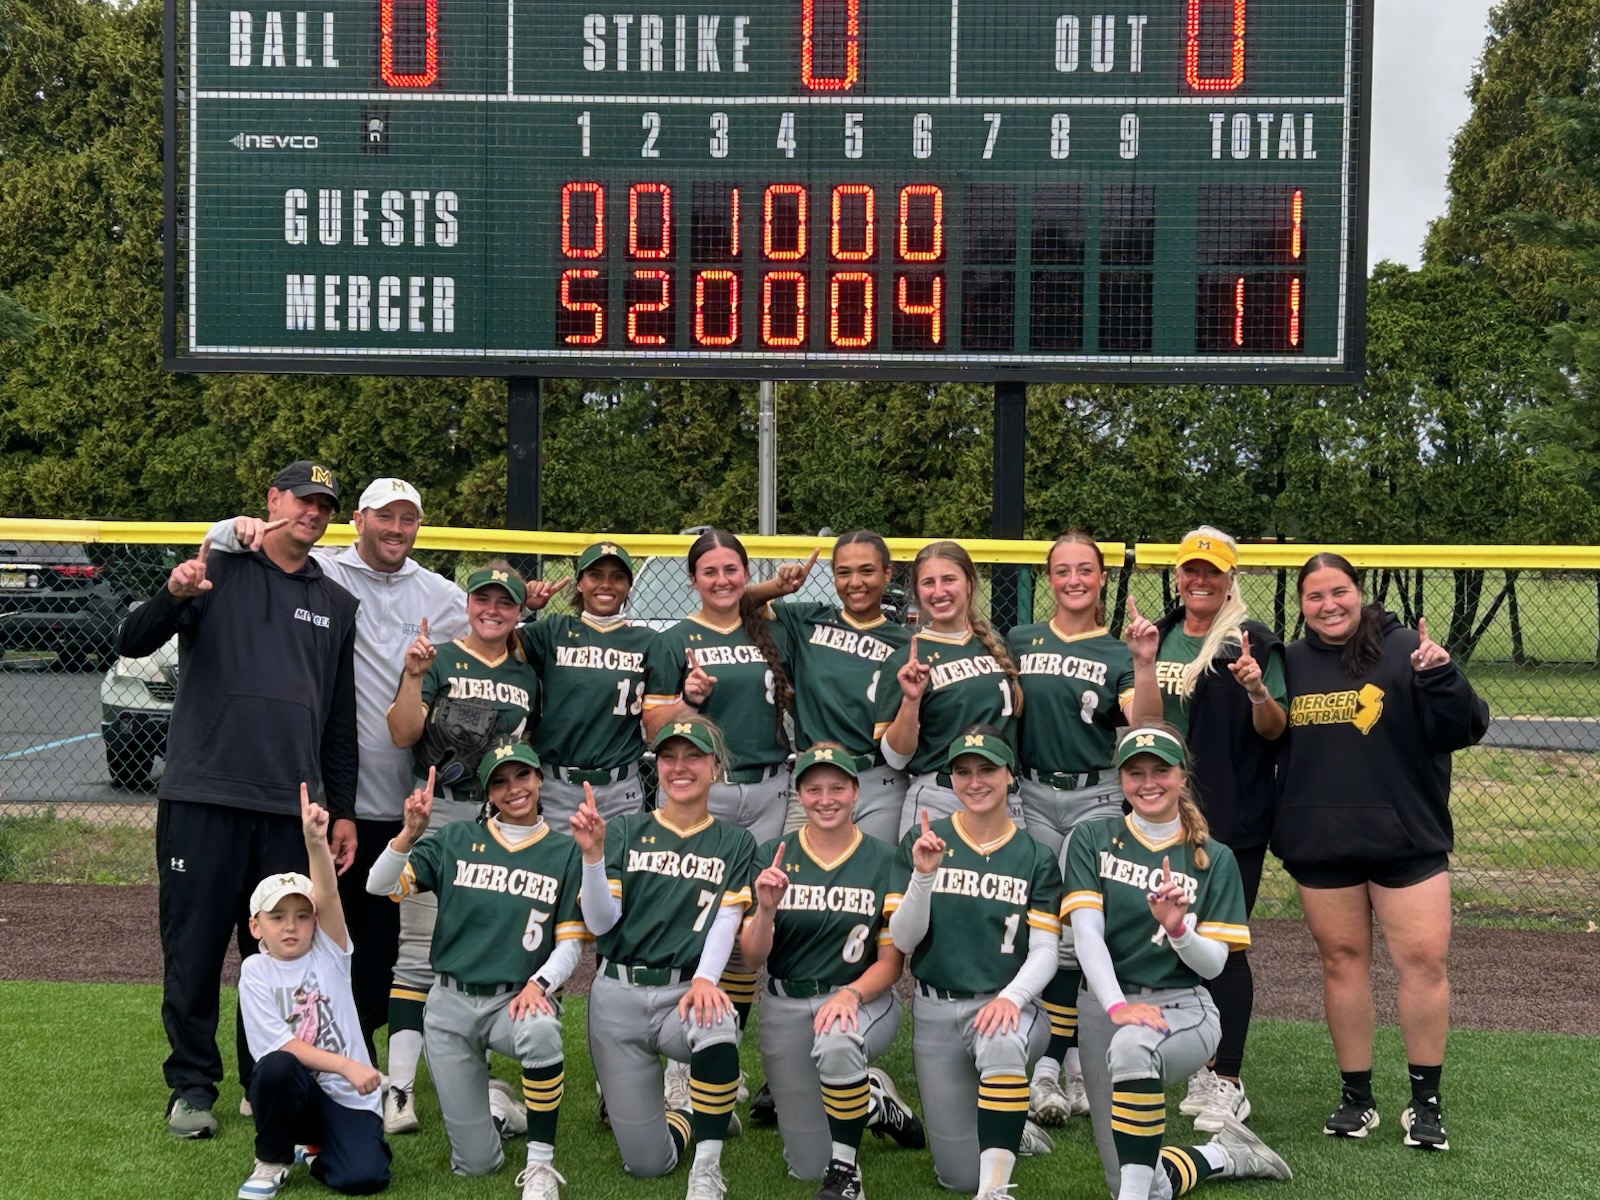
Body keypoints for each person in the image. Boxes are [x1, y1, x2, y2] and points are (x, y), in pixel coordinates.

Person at [117, 459, 359, 1139]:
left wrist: (341, 809)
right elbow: (132, 641)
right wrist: (174, 593)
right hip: (202, 797)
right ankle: (192, 1086)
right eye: (302, 499)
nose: (313, 513)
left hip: (287, 809)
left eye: (324, 506)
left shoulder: (337, 602)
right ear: (272, 500)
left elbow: (339, 722)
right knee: (193, 950)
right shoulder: (215, 568)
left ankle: (266, 1075)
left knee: (281, 952)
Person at [206, 478, 472, 1072]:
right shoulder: (321, 569)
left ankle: (360, 1047)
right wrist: (236, 528)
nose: (396, 528)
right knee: (313, 931)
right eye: (384, 516)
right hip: (324, 795)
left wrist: (529, 604)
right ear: (358, 519)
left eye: (408, 518)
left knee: (378, 943)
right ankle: (293, 1053)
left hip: (400, 802)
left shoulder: (439, 593)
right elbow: (238, 549)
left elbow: (491, 622)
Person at [1274, 554, 1488, 1150]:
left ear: (1360, 591)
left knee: (1423, 962)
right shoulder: (1289, 662)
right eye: (1315, 596)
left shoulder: (1405, 650)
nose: (1329, 605)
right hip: (1323, 842)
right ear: (1302, 604)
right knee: (1341, 963)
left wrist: (1441, 675)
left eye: (1339, 591)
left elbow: (1465, 728)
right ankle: (1357, 1098)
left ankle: (1425, 1103)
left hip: (1405, 839)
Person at [1064, 723, 1293, 1200]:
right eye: (1135, 772)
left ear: (1182, 777)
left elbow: (1213, 967)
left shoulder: (1214, 856)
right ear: (1121, 780)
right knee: (1138, 1176)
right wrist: (1116, 1006)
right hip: (1106, 1004)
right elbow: (1085, 935)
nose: (1148, 782)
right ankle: (1223, 1155)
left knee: (1133, 1050)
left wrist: (1178, 929)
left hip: (1183, 1008)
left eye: (1160, 771)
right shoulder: (1092, 837)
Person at [366, 741, 587, 1200]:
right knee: (477, 1164)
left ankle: (540, 1163)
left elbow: (571, 944)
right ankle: (501, 1110)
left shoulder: (564, 851)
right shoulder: (456, 839)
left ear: (539, 779)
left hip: (513, 1000)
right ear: (487, 793)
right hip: (449, 1004)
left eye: (522, 776)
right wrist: (409, 833)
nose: (514, 789)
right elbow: (379, 884)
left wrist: (540, 984)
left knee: (542, 1029)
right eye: (500, 782)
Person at [1006, 532, 1162, 1127]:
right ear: (1049, 578)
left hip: (1095, 793)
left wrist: (1143, 663)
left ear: (1101, 578)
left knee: (1081, 927)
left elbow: (1145, 726)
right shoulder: (1020, 639)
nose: (1074, 580)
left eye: (1085, 570)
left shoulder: (1118, 649)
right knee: (1039, 925)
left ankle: (1065, 1060)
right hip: (1030, 790)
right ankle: (1048, 1061)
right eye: (1063, 570)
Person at [382, 562, 542, 1135]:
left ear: (519, 611)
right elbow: (402, 733)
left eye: (505, 602)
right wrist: (412, 676)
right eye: (483, 599)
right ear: (468, 604)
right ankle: (399, 1090)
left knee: (488, 952)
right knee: (416, 952)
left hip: (499, 822)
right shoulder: (440, 658)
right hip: (441, 812)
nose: (492, 610)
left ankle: (482, 1079)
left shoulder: (527, 674)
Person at [569, 717, 756, 1200]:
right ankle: (691, 1113)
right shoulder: (625, 829)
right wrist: (593, 856)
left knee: (717, 1022)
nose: (679, 767)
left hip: (683, 992)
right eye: (669, 757)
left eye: (693, 756)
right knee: (648, 1165)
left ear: (715, 767)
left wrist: (707, 979)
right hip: (617, 994)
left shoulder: (735, 841)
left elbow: (726, 920)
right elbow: (600, 923)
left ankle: (707, 1168)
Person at [737, 744, 925, 1200]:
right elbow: (753, 958)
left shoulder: (884, 857)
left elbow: (891, 963)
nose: (826, 799)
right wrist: (766, 910)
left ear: (856, 792)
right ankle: (874, 1102)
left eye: (837, 788)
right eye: (814, 789)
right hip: (784, 1002)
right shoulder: (773, 854)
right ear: (799, 795)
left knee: (840, 1040)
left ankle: (846, 1176)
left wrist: (851, 995)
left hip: (859, 998)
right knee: (805, 1166)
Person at [887, 728, 1062, 1197]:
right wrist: (924, 877)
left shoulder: (1035, 856)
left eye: (987, 770)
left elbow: (1046, 951)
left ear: (1010, 776)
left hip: (1009, 1006)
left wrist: (1012, 999)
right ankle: (1008, 1127)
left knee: (1002, 1040)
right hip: (936, 1008)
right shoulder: (924, 840)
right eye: (963, 772)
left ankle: (995, 1190)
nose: (975, 781)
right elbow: (903, 939)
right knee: (957, 1177)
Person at [1151, 526, 1286, 1130]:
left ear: (1232, 577)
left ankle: (1225, 1076)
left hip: (1231, 815)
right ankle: (1181, 1058)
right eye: (1191, 570)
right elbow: (1141, 722)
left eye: (1212, 571)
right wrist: (1141, 661)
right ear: (1178, 575)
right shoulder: (1158, 635)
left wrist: (1256, 690)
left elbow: (1275, 728)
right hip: (1160, 811)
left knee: (1223, 946)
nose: (1200, 580)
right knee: (1171, 935)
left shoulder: (1251, 641)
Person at [643, 529, 795, 1034]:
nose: (722, 579)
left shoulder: (770, 630)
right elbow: (653, 728)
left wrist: (775, 588)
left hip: (769, 787)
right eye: (709, 571)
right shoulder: (674, 639)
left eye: (732, 569)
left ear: (746, 574)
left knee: (747, 913)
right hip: (704, 791)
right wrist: (687, 700)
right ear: (693, 579)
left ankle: (724, 1038)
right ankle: (678, 1037)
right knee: (690, 909)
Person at [236, 786, 389, 1200]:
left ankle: (317, 1151)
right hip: (301, 1087)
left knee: (365, 1178)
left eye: (303, 916)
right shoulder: (255, 971)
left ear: (315, 922)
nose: (291, 926)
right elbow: (279, 1045)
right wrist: (347, 1065)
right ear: (256, 926)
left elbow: (328, 894)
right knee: (275, 1068)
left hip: (347, 1097)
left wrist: (315, 841)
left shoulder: (330, 953)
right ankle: (272, 1160)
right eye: (277, 917)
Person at [749, 532, 913, 844]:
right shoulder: (807, 619)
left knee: (875, 871)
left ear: (887, 573)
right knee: (793, 868)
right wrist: (778, 587)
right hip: (814, 773)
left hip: (877, 780)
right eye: (844, 572)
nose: (855, 582)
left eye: (867, 571)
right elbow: (739, 604)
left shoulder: (907, 642)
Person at [876, 542, 1024, 838]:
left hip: (1003, 798)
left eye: (949, 579)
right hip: (940, 798)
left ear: (969, 584)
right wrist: (911, 700)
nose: (939, 591)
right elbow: (896, 758)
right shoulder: (906, 659)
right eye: (928, 583)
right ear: (917, 592)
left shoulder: (997, 646)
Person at [518, 541, 652, 827]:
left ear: (629, 586)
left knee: (618, 858)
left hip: (620, 788)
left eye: (617, 577)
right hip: (557, 786)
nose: (606, 585)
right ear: (579, 583)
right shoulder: (554, 629)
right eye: (596, 576)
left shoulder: (648, 641)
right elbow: (494, 644)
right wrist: (522, 607)